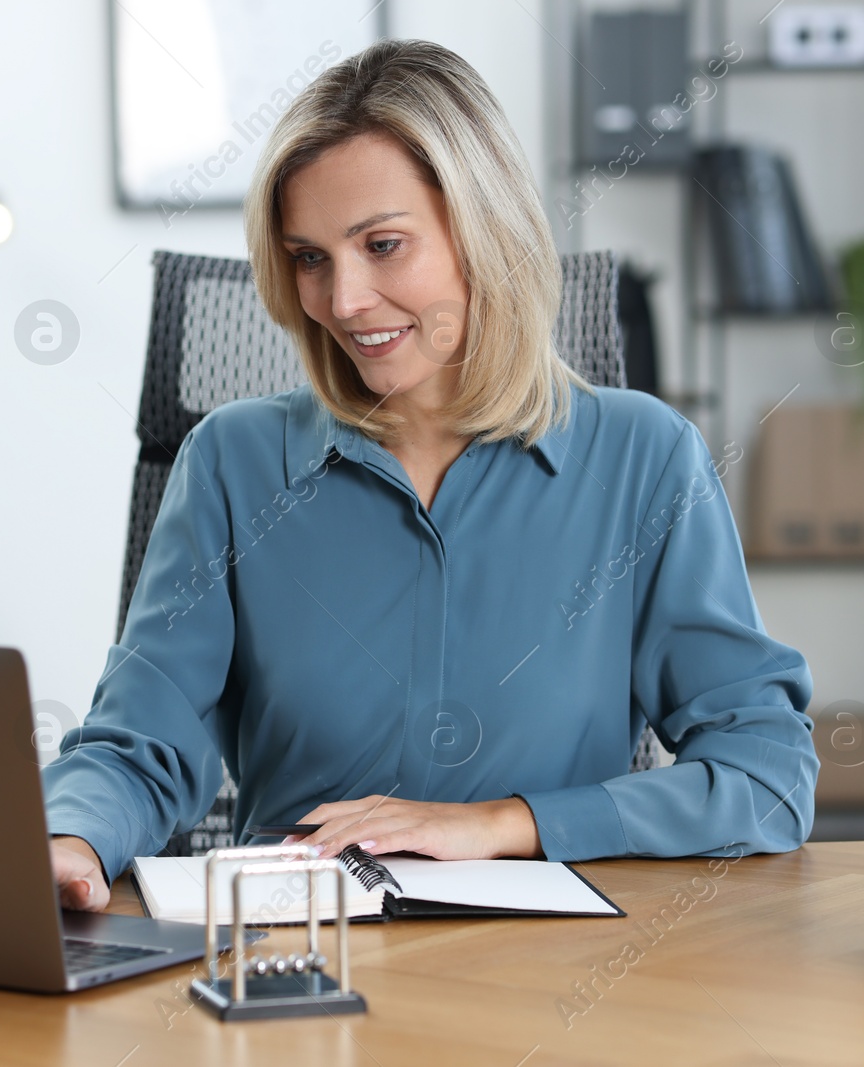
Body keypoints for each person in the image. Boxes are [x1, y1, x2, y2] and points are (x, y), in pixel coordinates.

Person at [45, 39, 816, 912]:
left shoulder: (644, 458)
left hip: (552, 990)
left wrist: (502, 823)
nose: (342, 301)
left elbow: (769, 778)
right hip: (301, 975)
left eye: (382, 244)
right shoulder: (232, 463)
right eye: (310, 258)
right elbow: (139, 743)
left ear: (483, 231)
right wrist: (71, 836)